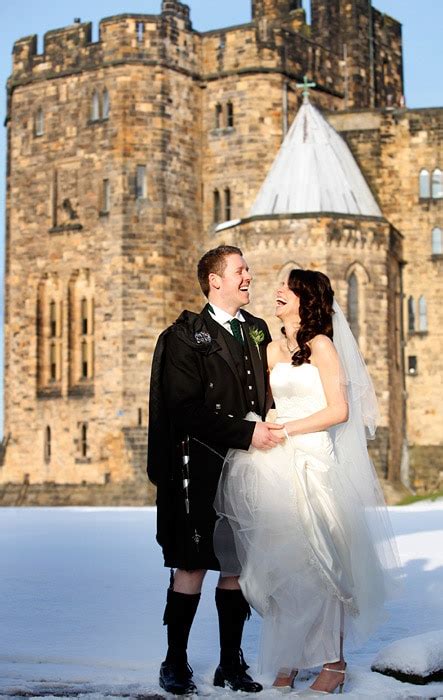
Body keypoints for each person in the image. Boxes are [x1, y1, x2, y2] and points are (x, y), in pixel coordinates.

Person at [214, 269, 402, 696]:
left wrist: (290, 427)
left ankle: (333, 664)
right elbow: (262, 402)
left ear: (307, 299)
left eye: (288, 287)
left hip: (313, 460)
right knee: (283, 562)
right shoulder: (272, 348)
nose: (277, 291)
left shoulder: (322, 346)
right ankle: (290, 658)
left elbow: (339, 410)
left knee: (320, 560)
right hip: (276, 462)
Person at [147, 245, 284, 695]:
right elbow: (182, 409)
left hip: (248, 471)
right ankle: (175, 662)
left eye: (247, 269)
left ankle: (230, 663)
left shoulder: (258, 330)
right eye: (240, 270)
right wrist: (246, 434)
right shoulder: (185, 336)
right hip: (198, 470)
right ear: (215, 280)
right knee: (190, 565)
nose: (249, 276)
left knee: (236, 567)